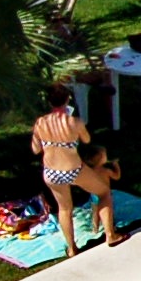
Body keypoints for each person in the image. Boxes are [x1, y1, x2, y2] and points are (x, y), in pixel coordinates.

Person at [30, 90, 115, 255]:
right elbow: (87, 140)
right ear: (68, 99)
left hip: (51, 172)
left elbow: (35, 149)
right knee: (104, 193)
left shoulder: (40, 123)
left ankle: (71, 248)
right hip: (73, 169)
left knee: (64, 209)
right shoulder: (74, 122)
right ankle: (111, 235)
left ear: (49, 102)